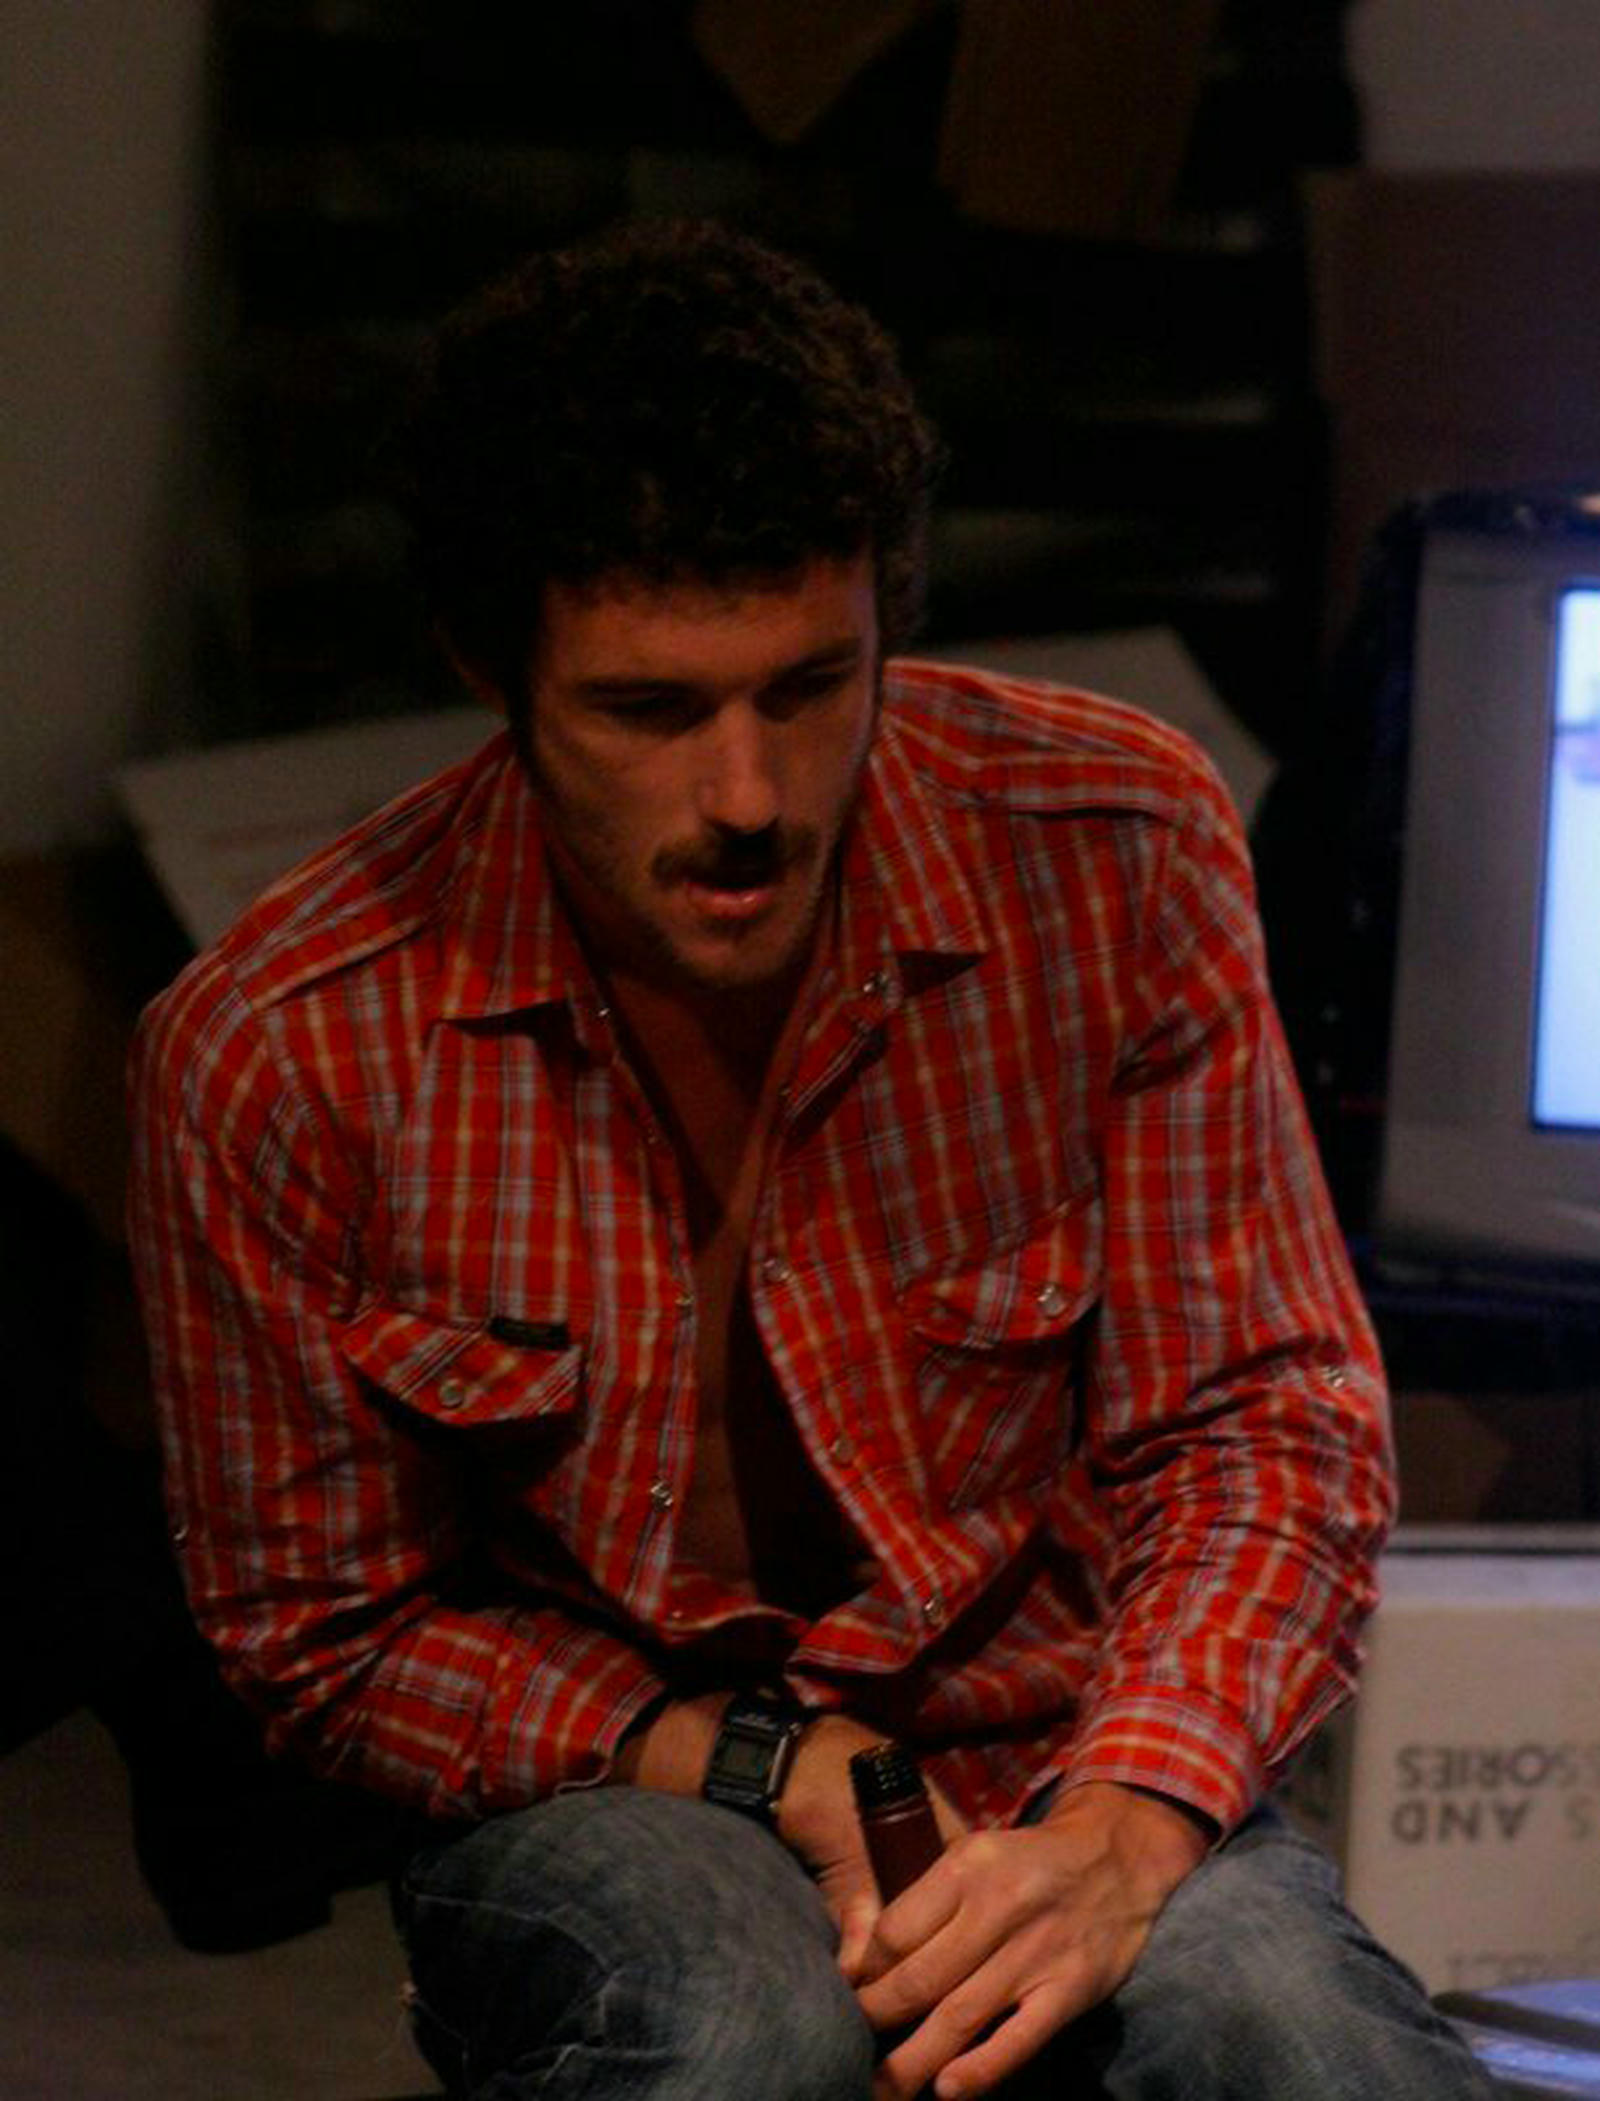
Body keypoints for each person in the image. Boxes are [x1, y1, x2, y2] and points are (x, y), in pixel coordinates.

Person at [127, 220, 1490, 2100]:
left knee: (1294, 2031)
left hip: (1059, 1732)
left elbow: (1260, 1415)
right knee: (734, 2029)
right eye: (650, 711)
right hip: (621, 1769)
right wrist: (766, 1762)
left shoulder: (1114, 850)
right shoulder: (284, 1047)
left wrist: (1131, 1819)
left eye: (811, 685)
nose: (749, 796)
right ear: (489, 669)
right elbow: (325, 1635)